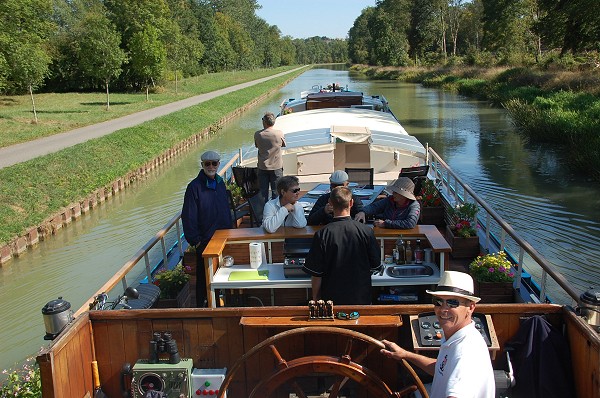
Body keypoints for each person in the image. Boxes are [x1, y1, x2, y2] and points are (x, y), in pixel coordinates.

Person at [380, 271, 495, 398]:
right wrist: (405, 354)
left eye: (452, 303)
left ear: (471, 307)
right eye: (438, 302)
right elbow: (441, 368)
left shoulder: (465, 351)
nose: (443, 309)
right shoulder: (456, 337)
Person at [302, 186, 380, 305]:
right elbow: (376, 265)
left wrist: (316, 298)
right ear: (351, 203)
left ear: (330, 203)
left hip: (331, 302)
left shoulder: (322, 234)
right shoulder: (366, 231)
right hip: (361, 299)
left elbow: (316, 274)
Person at [181, 150, 232, 307]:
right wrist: (195, 241)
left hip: (223, 237)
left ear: (218, 164)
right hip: (205, 241)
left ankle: (225, 303)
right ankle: (204, 307)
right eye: (207, 164)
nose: (211, 166)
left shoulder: (220, 183)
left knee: (225, 273)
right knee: (205, 279)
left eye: (214, 163)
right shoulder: (194, 187)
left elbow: (225, 208)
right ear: (202, 165)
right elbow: (188, 216)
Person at [354, 177, 420, 229]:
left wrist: (385, 224)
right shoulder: (390, 200)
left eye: (396, 192)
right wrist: (363, 212)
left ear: (404, 195)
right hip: (386, 234)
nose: (393, 193)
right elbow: (374, 207)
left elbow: (410, 223)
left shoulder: (414, 205)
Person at [254, 112, 286, 202]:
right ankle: (276, 213)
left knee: (263, 193)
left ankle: (263, 212)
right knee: (277, 192)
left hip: (262, 167)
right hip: (276, 167)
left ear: (264, 122)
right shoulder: (279, 134)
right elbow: (283, 144)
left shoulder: (258, 134)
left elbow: (257, 145)